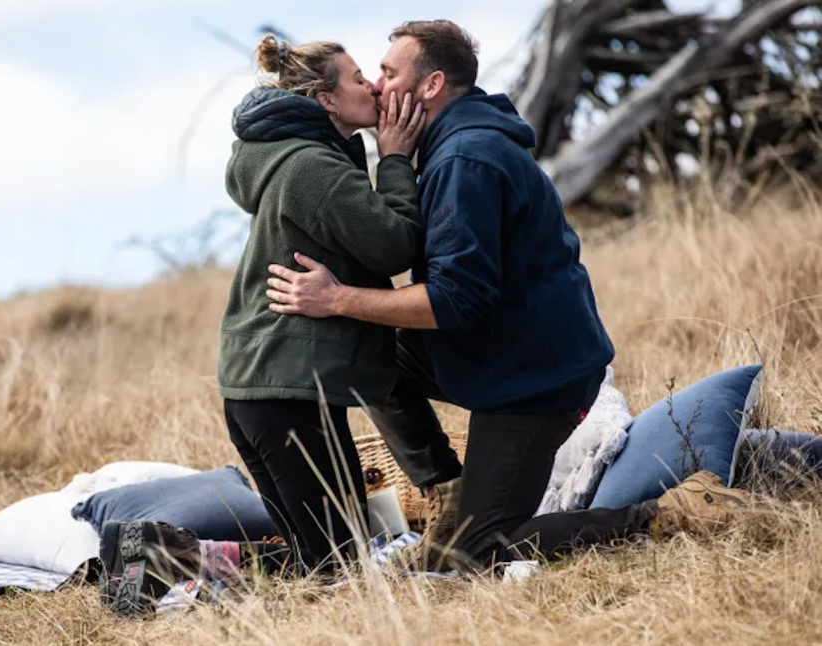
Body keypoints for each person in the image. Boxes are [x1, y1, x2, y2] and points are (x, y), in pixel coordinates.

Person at [265, 20, 752, 571]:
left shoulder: (463, 161)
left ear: (431, 86)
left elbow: (454, 301)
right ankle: (446, 492)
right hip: (501, 353)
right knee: (364, 355)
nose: (377, 87)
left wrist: (338, 299)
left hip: (535, 382)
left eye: (387, 72)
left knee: (477, 554)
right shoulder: (454, 144)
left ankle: (668, 512)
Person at [216, 36, 429, 573]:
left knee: (317, 561)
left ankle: (171, 561)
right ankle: (166, 559)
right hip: (289, 393)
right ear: (327, 101)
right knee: (339, 565)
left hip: (258, 388)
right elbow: (396, 243)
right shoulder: (313, 168)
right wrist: (396, 157)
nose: (374, 86)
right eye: (359, 78)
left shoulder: (285, 157)